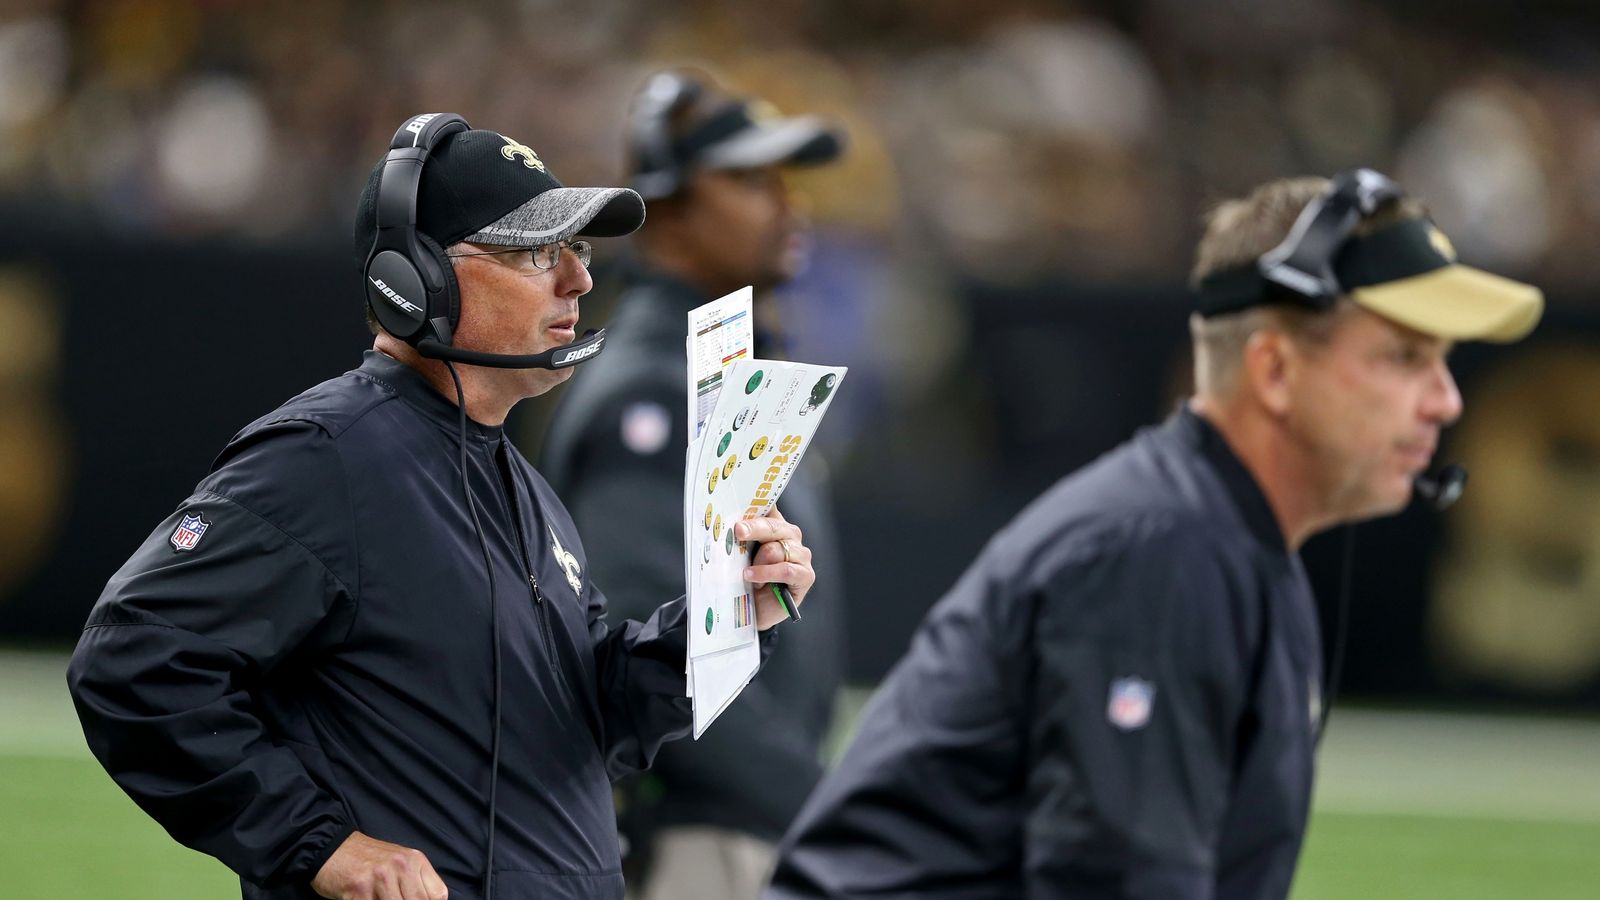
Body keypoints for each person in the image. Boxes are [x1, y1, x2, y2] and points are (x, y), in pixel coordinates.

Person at [66, 114, 819, 900]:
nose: (578, 279)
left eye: (580, 249)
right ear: (414, 274)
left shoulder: (520, 486)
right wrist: (323, 845)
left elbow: (584, 725)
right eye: (536, 251)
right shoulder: (328, 457)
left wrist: (721, 617)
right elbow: (132, 660)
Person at [765, 169, 1544, 899]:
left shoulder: (1216, 541)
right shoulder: (1160, 556)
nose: (1444, 401)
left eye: (1443, 363)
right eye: (1405, 357)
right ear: (1274, 371)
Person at [537, 70, 847, 899]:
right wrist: (826, 812)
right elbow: (656, 654)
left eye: (784, 180)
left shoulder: (716, 372)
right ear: (665, 205)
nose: (787, 204)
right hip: (699, 842)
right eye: (749, 179)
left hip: (750, 830)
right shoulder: (651, 393)